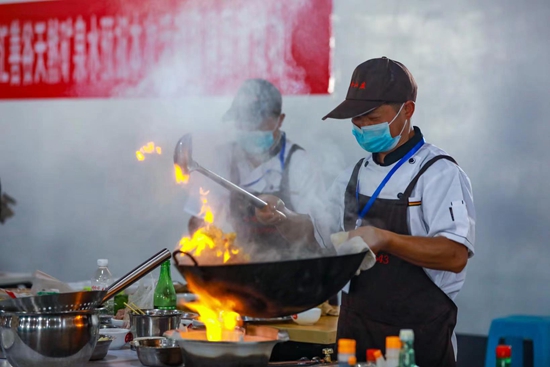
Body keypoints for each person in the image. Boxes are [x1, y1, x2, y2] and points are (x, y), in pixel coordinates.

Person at [255, 57, 475, 366]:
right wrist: (281, 217)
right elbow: (315, 233)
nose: (361, 126)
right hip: (355, 339)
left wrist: (386, 239)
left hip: (418, 344)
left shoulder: (438, 174)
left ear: (407, 110)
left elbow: (455, 255)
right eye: (355, 119)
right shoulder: (353, 175)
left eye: (371, 117)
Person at [182, 78, 327, 257]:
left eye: (260, 121)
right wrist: (212, 245)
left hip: (293, 268)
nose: (251, 128)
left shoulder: (300, 162)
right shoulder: (223, 158)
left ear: (280, 120)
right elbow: (198, 218)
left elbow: (317, 231)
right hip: (240, 265)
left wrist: (283, 218)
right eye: (245, 121)